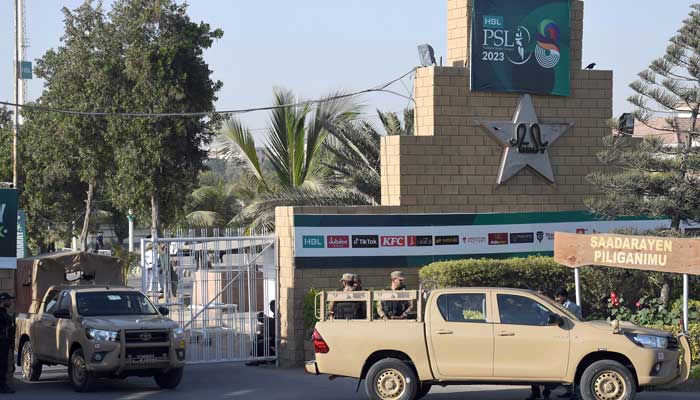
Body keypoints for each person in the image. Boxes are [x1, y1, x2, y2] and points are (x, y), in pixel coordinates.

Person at [0, 293, 16, 393]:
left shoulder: (4, 313)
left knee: (4, 364)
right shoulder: (1, 314)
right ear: (3, 300)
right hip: (1, 342)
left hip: (5, 342)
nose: (10, 302)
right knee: (2, 365)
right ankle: (3, 386)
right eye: (8, 300)